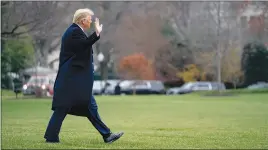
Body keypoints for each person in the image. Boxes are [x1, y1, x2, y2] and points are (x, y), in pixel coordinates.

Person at [44, 8, 124, 144]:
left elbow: (82, 49)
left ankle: (106, 135)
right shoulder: (74, 31)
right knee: (65, 107)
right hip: (72, 80)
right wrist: (97, 33)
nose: (91, 21)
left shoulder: (75, 31)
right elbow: (83, 45)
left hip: (73, 80)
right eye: (89, 18)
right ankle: (51, 138)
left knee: (85, 106)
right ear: (82, 20)